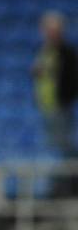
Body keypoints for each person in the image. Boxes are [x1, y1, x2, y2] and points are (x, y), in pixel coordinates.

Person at [32, 11, 78, 157]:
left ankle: (67, 178)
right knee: (52, 145)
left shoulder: (68, 53)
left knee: (63, 145)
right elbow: (39, 75)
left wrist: (65, 98)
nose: (50, 33)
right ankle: (59, 178)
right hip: (45, 105)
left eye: (54, 30)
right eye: (48, 30)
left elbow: (72, 78)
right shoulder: (43, 51)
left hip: (61, 106)